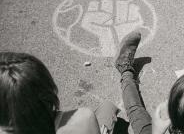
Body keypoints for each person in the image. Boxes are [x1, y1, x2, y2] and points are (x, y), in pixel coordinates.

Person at [0, 32, 151, 134]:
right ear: (49, 91)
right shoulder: (82, 118)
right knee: (113, 108)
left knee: (108, 109)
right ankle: (125, 70)